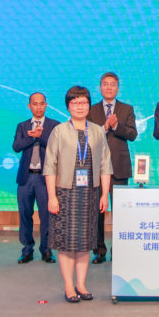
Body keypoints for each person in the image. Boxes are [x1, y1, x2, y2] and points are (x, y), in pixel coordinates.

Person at [44, 86, 112, 303]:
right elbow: (50, 165)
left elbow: (105, 164)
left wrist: (104, 194)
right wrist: (52, 196)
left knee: (85, 241)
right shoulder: (59, 131)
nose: (80, 107)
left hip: (90, 194)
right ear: (68, 107)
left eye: (83, 103)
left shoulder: (98, 131)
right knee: (66, 242)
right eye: (75, 103)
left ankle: (81, 284)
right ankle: (68, 286)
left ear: (89, 105)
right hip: (65, 193)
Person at [87, 71, 138, 264]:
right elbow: (87, 136)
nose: (109, 87)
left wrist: (117, 127)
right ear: (100, 88)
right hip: (96, 167)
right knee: (97, 212)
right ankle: (99, 250)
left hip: (119, 166)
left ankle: (120, 249)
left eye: (113, 84)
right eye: (105, 84)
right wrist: (105, 128)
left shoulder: (126, 109)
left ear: (118, 88)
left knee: (121, 211)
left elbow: (132, 134)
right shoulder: (91, 110)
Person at [12, 92, 60, 264]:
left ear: (46, 105)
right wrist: (31, 137)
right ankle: (27, 249)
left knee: (47, 216)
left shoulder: (54, 125)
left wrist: (41, 136)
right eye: (35, 104)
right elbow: (16, 146)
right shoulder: (22, 126)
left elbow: (58, 147)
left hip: (45, 178)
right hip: (25, 177)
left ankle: (46, 250)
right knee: (25, 214)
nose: (38, 107)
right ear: (29, 106)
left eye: (41, 103)